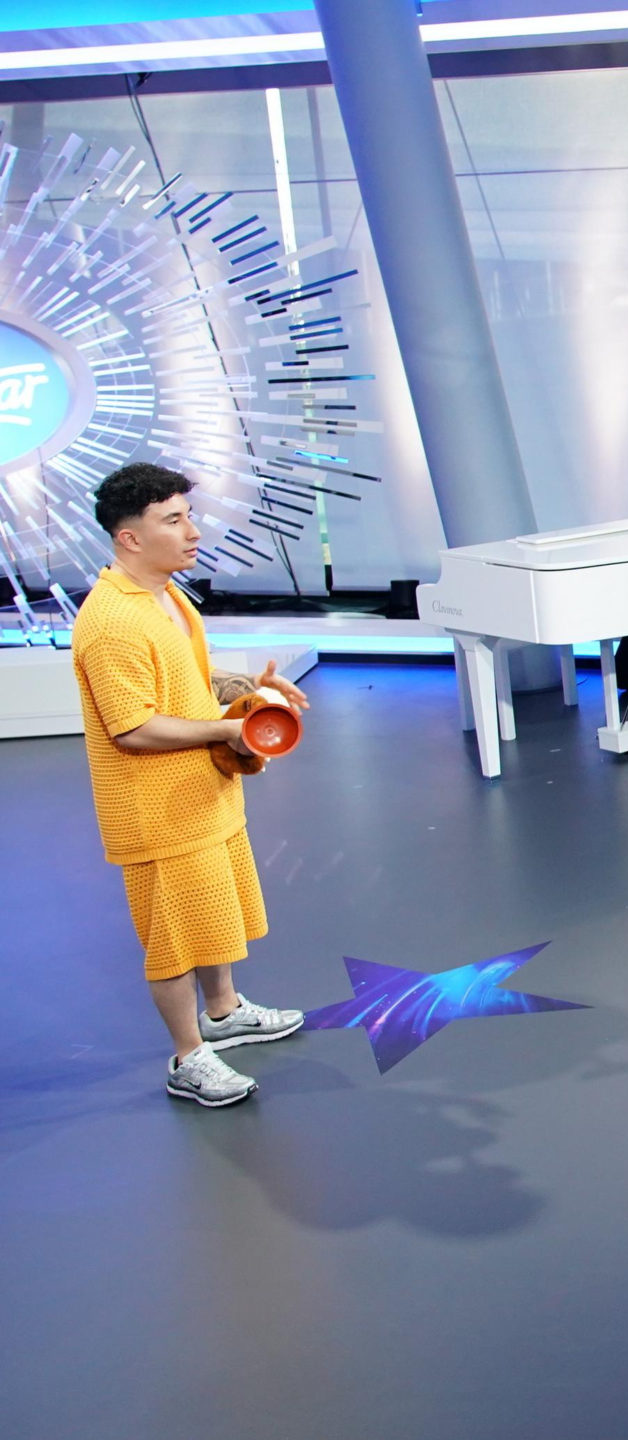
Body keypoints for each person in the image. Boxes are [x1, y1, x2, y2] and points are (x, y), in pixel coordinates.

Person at [73, 463, 310, 1107]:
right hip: (157, 812)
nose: (192, 531)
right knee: (174, 940)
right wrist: (229, 731)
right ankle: (188, 1057)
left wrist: (249, 689)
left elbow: (185, 676)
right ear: (130, 538)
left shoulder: (167, 597)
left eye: (188, 516)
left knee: (208, 911)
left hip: (201, 797)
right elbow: (133, 728)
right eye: (173, 520)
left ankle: (224, 1012)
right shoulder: (111, 623)